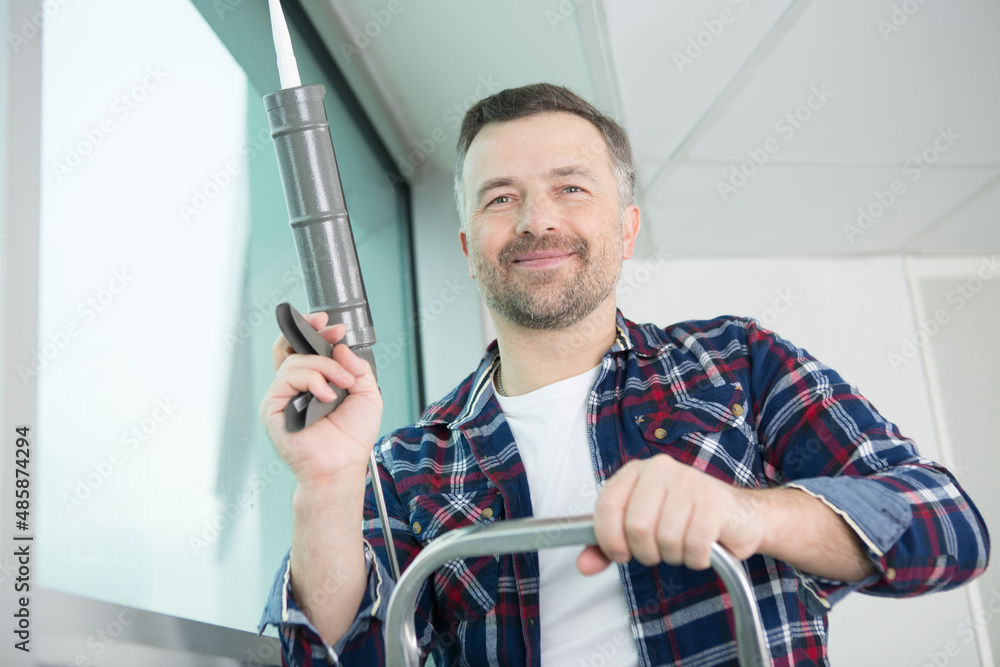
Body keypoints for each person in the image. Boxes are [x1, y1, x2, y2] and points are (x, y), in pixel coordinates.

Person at [257, 83, 990, 666]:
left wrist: (746, 514)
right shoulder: (404, 465)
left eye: (571, 188)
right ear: (467, 248)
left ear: (628, 229)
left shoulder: (737, 362)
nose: (537, 219)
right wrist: (326, 485)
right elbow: (336, 657)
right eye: (501, 197)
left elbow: (946, 526)